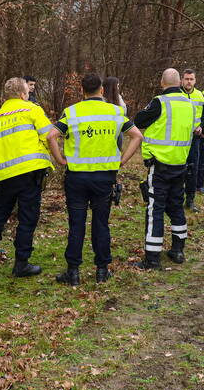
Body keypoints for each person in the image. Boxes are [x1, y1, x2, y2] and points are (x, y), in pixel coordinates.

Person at [47, 74, 144, 285]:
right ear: (101, 90)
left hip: (77, 177)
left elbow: (50, 136)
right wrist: (123, 160)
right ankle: (102, 270)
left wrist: (60, 160)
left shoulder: (71, 112)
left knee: (76, 224)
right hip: (104, 177)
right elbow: (137, 135)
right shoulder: (116, 112)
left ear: (82, 91)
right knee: (101, 223)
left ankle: (73, 272)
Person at [0, 77, 55, 277]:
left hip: (4, 178)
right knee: (27, 218)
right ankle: (21, 263)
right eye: (27, 93)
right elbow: (49, 136)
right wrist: (50, 158)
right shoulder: (32, 110)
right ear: (22, 94)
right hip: (30, 174)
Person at [131, 68, 195, 269]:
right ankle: (178, 250)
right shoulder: (190, 104)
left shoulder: (160, 102)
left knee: (155, 209)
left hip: (160, 166)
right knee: (176, 206)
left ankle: (152, 258)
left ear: (162, 82)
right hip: (180, 164)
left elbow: (139, 121)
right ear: (179, 82)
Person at [179, 68, 204, 211]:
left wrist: (202, 127)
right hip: (177, 138)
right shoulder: (176, 94)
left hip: (194, 139)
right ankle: (176, 198)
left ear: (195, 80)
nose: (189, 81)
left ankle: (190, 200)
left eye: (191, 79)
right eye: (186, 79)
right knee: (179, 168)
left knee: (193, 168)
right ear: (181, 80)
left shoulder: (200, 96)